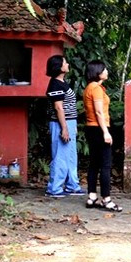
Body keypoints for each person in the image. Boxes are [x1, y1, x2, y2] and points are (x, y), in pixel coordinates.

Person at [82, 60, 122, 212]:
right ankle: (107, 199)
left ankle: (92, 196)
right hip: (99, 128)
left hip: (91, 128)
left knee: (94, 164)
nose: (106, 72)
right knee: (105, 165)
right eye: (104, 69)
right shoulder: (96, 89)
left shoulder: (89, 88)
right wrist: (105, 132)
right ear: (97, 72)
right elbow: (99, 112)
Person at [44, 55, 84, 198]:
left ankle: (72, 185)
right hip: (60, 123)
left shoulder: (62, 82)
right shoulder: (55, 84)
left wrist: (72, 125)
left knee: (71, 156)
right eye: (65, 62)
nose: (67, 64)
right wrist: (64, 128)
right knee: (60, 156)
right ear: (59, 67)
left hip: (68, 122)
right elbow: (58, 107)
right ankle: (54, 188)